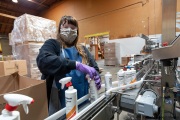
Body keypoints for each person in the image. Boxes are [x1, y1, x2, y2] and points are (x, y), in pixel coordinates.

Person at [36, 15, 101, 117]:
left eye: (73, 28)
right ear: (60, 29)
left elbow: (95, 68)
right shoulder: (53, 45)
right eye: (66, 27)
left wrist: (94, 75)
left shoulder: (83, 50)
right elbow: (43, 61)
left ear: (77, 31)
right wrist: (75, 65)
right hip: (60, 107)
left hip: (83, 102)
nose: (69, 30)